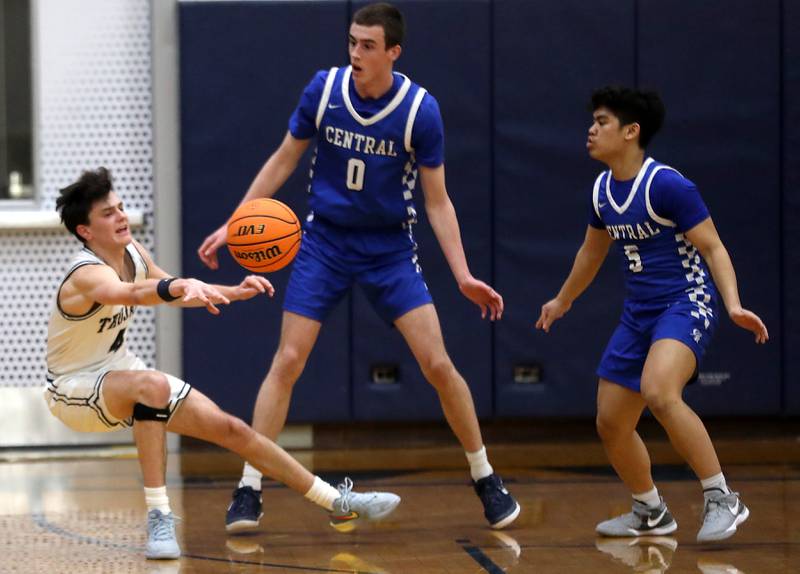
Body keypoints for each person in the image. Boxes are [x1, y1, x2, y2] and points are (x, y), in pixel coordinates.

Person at [197, 2, 519, 531]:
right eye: (351, 42)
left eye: (368, 45)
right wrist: (236, 223)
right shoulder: (324, 90)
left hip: (389, 248)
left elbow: (438, 202)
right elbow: (284, 156)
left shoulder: (420, 111)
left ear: (393, 51)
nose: (356, 53)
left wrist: (462, 274)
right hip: (324, 241)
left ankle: (485, 476)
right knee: (289, 359)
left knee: (437, 364)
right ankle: (249, 488)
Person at [45, 168, 401, 560]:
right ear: (85, 231)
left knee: (232, 428)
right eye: (108, 213)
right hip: (72, 388)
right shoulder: (85, 273)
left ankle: (337, 501)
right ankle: (160, 516)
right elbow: (130, 293)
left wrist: (235, 291)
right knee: (152, 385)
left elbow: (176, 294)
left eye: (122, 207)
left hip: (118, 370)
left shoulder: (134, 254)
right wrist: (177, 285)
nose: (122, 216)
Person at [536, 86, 768, 542]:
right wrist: (562, 300)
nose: (592, 129)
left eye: (601, 121)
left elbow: (713, 247)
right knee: (611, 421)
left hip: (685, 302)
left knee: (660, 392)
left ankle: (723, 496)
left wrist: (734, 303)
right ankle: (650, 510)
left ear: (630, 132)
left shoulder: (667, 184)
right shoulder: (602, 191)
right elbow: (591, 253)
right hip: (638, 313)